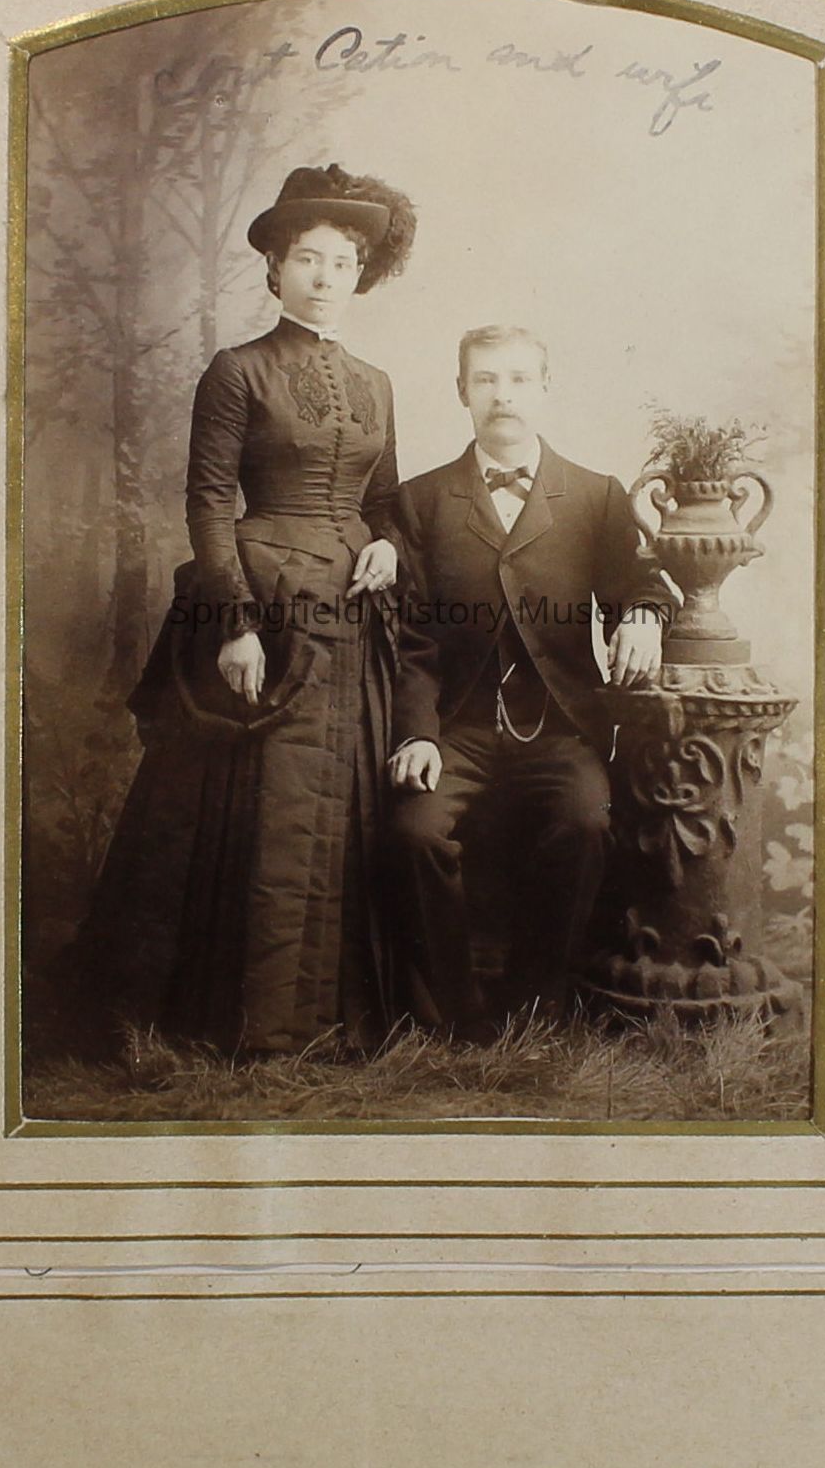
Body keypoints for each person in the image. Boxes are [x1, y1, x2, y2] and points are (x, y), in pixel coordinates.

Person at [73, 164, 414, 1058]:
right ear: (275, 269)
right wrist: (235, 624)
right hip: (265, 604)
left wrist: (387, 543)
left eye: (341, 263)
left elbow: (384, 500)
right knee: (257, 808)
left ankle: (326, 1018)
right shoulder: (238, 371)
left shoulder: (377, 383)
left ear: (358, 276)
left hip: (351, 615)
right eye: (308, 259)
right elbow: (207, 501)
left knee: (341, 802)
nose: (325, 277)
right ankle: (243, 1020)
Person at [386, 325, 673, 1036]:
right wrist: (417, 735)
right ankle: (455, 1015)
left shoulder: (596, 496)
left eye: (518, 379)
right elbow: (410, 638)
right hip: (457, 728)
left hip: (558, 730)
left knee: (585, 821)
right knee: (414, 831)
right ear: (461, 392)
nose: (502, 396)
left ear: (544, 389)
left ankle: (532, 1006)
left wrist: (642, 614)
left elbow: (639, 582)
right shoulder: (421, 500)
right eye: (485, 380)